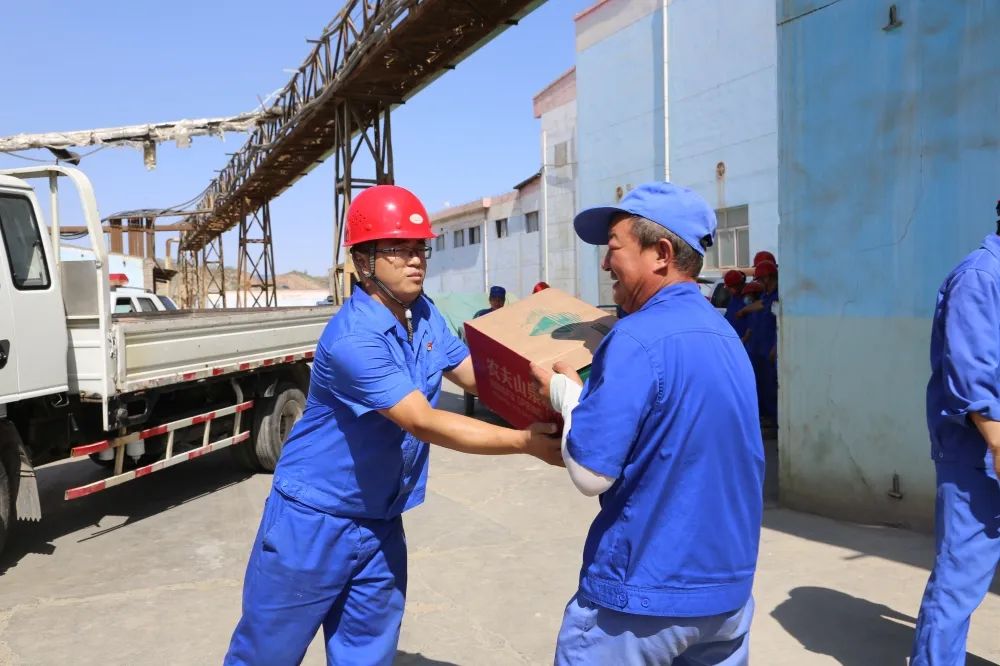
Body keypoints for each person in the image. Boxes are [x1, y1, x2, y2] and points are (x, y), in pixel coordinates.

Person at [224, 185, 561, 666]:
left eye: (419, 248)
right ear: (364, 261)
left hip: (379, 521)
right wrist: (524, 441)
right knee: (267, 654)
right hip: (313, 521)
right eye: (398, 249)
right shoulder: (354, 338)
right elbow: (422, 421)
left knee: (367, 655)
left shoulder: (422, 313)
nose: (415, 260)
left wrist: (551, 397)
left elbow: (475, 377)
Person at [531, 181, 764, 665]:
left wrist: (565, 395)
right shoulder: (724, 335)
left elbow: (590, 474)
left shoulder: (636, 337)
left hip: (643, 599)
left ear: (660, 254)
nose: (604, 263)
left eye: (613, 247)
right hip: (726, 599)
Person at [911, 226, 1000, 665]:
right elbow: (971, 376)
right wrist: (997, 444)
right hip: (978, 455)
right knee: (959, 580)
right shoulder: (980, 276)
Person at [740, 261, 778, 423]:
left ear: (768, 278)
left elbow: (780, 324)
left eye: (761, 279)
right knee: (762, 385)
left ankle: (775, 421)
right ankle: (767, 418)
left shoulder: (778, 296)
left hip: (770, 349)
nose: (760, 283)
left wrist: (775, 348)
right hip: (760, 349)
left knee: (772, 387)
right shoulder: (766, 296)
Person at [722, 269, 748, 337]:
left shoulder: (749, 297)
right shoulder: (734, 298)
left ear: (738, 285)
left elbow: (753, 324)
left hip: (742, 339)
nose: (729, 290)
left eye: (730, 287)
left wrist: (744, 339)